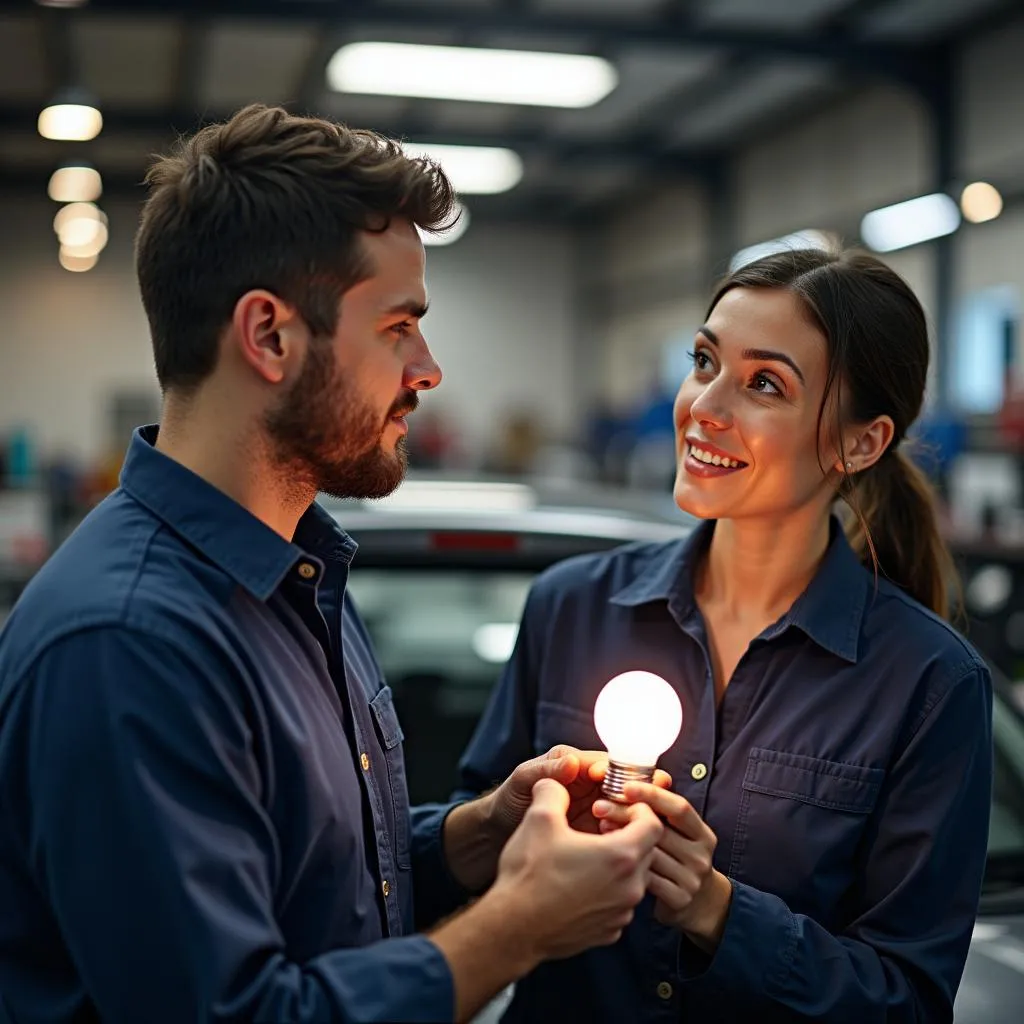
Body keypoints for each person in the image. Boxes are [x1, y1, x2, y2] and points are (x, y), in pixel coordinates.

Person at [0, 104, 667, 1024]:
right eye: (399, 326)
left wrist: (475, 840)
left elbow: (323, 900)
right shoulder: (129, 643)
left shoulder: (298, 574)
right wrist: (520, 925)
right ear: (269, 336)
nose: (428, 370)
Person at [455, 248, 994, 1022]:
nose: (703, 406)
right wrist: (513, 836)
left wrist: (717, 910)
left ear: (860, 443)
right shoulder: (570, 608)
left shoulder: (929, 683)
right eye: (704, 360)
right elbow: (468, 863)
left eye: (763, 384)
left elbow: (907, 1000)